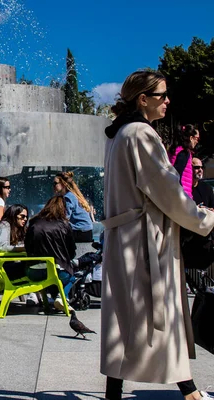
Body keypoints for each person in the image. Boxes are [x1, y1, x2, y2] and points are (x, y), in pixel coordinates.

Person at [101, 70, 214, 400]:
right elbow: (169, 192)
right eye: (162, 95)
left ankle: (116, 393)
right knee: (158, 316)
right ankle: (189, 391)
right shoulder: (141, 135)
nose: (167, 101)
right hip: (144, 240)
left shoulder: (117, 135)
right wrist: (204, 218)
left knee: (126, 321)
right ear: (143, 99)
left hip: (124, 238)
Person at [24, 195, 76, 312]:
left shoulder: (33, 223)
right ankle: (62, 297)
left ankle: (57, 298)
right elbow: (72, 252)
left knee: (53, 276)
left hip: (33, 272)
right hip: (58, 272)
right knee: (72, 275)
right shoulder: (65, 225)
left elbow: (28, 248)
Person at [53, 171, 94, 242]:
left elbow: (65, 218)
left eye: (55, 183)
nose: (53, 186)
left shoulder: (67, 198)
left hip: (79, 232)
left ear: (63, 184)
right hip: (87, 232)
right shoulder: (74, 195)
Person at [169, 124, 200, 199]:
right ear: (191, 138)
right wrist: (183, 196)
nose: (197, 142)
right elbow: (177, 175)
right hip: (181, 197)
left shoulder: (173, 151)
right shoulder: (184, 153)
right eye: (197, 139)